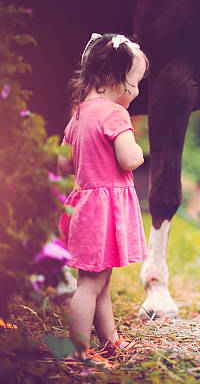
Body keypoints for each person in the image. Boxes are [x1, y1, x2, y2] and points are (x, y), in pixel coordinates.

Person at [57, 33, 149, 366]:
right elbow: (128, 159)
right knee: (89, 286)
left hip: (83, 205)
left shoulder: (79, 114)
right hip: (103, 211)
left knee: (99, 282)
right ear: (114, 78)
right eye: (135, 83)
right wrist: (137, 151)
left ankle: (109, 341)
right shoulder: (114, 115)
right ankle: (79, 353)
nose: (137, 92)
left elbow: (63, 163)